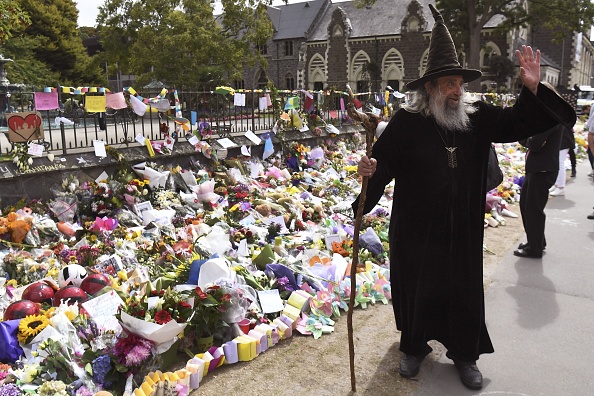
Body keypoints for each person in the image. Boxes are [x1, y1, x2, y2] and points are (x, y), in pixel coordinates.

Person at [353, 4, 575, 391]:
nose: (457, 91)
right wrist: (368, 178)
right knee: (419, 286)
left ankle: (466, 354)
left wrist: (533, 88)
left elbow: (517, 123)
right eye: (448, 84)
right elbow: (382, 164)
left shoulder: (476, 116)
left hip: (463, 228)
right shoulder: (407, 123)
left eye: (459, 82)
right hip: (417, 229)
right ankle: (414, 347)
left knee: (462, 288)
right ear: (430, 88)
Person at [515, 83, 566, 258]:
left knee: (533, 209)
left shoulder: (550, 116)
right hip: (538, 168)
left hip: (542, 169)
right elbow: (531, 140)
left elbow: (534, 144)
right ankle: (536, 241)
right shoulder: (547, 114)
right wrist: (528, 138)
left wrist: (526, 138)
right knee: (526, 206)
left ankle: (535, 248)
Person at [549, 125, 575, 196]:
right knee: (557, 163)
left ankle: (560, 187)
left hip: (564, 140)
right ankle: (557, 184)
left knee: (560, 163)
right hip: (561, 139)